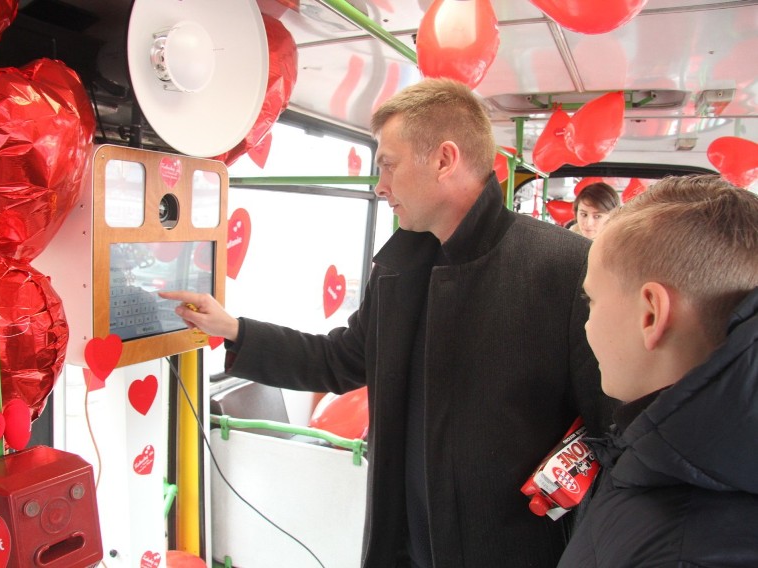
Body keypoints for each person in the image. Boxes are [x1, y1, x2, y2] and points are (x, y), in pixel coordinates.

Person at [160, 78, 616, 567]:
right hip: (405, 546)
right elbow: (340, 360)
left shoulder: (569, 268)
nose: (380, 187)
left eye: (389, 166)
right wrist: (234, 329)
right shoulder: (398, 271)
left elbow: (611, 436)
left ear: (443, 160)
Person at [558, 174, 758, 567]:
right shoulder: (680, 459)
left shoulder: (680, 549)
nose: (586, 324)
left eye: (591, 300)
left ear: (651, 314)